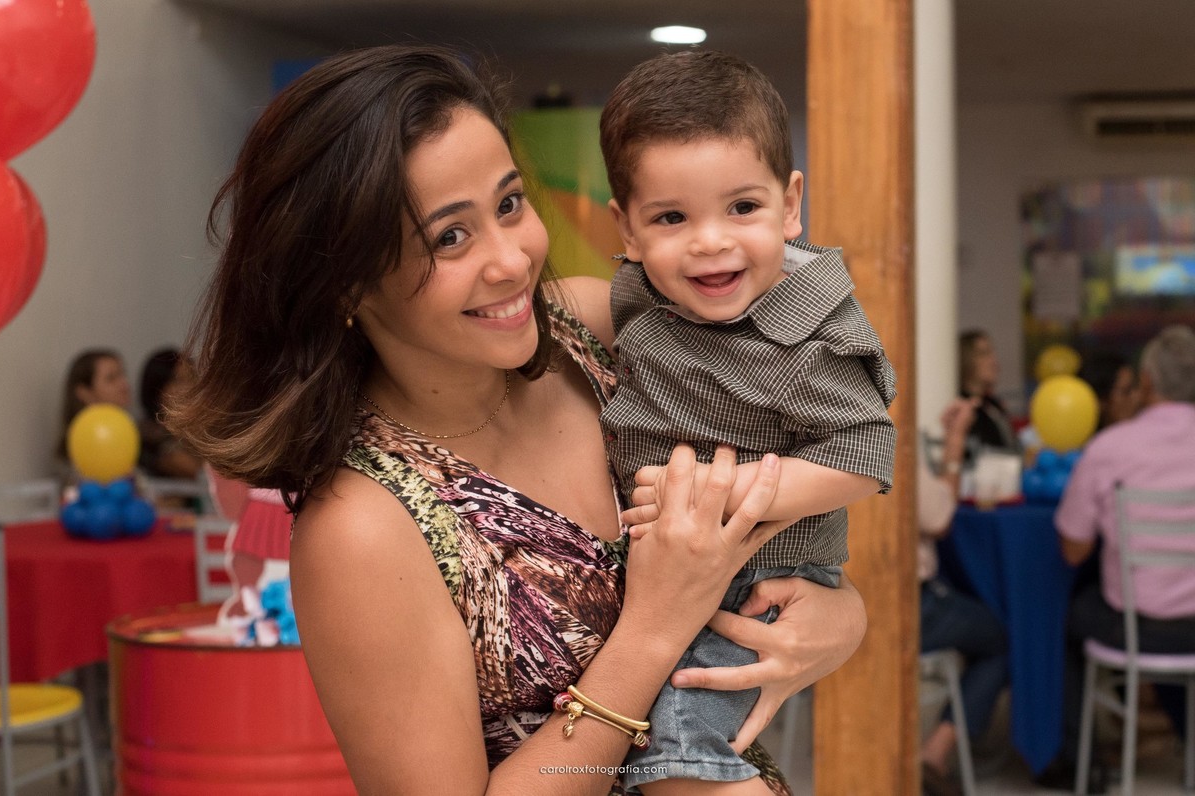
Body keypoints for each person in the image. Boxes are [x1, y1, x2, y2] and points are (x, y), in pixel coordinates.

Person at [165, 44, 869, 795]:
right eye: (450, 237)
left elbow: (799, 539)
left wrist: (838, 621)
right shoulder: (361, 529)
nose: (512, 260)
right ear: (344, 283)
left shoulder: (605, 332)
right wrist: (656, 627)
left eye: (508, 205)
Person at [596, 51, 896, 793]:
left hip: (758, 575)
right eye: (671, 217)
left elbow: (865, 451)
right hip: (670, 569)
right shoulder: (638, 298)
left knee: (681, 742)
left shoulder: (805, 336)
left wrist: (725, 498)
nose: (710, 240)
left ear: (790, 205)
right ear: (627, 229)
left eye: (742, 207)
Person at [1037, 324, 1195, 791]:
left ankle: (1077, 757)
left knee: (1064, 618)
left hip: (1133, 626)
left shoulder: (1110, 449)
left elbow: (1072, 550)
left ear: (1146, 382)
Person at [918, 397, 1008, 796]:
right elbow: (938, 518)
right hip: (907, 608)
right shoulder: (879, 439)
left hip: (821, 603)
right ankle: (934, 754)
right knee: (1001, 639)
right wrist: (954, 444)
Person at [55, 348, 132, 477]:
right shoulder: (81, 446)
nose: (124, 384)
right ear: (84, 392)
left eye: (122, 375)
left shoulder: (128, 431)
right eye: (111, 378)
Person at [138, 347, 204, 479]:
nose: (191, 387)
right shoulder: (150, 437)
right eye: (180, 380)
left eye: (192, 377)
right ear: (158, 390)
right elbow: (202, 475)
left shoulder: (205, 427)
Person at [957, 329, 1019, 460]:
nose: (994, 360)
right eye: (984, 354)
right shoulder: (960, 407)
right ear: (966, 359)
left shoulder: (993, 404)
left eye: (992, 353)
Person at [1077, 349, 1141, 431]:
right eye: (1126, 391)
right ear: (1101, 402)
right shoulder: (1092, 443)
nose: (1138, 397)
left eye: (1137, 386)